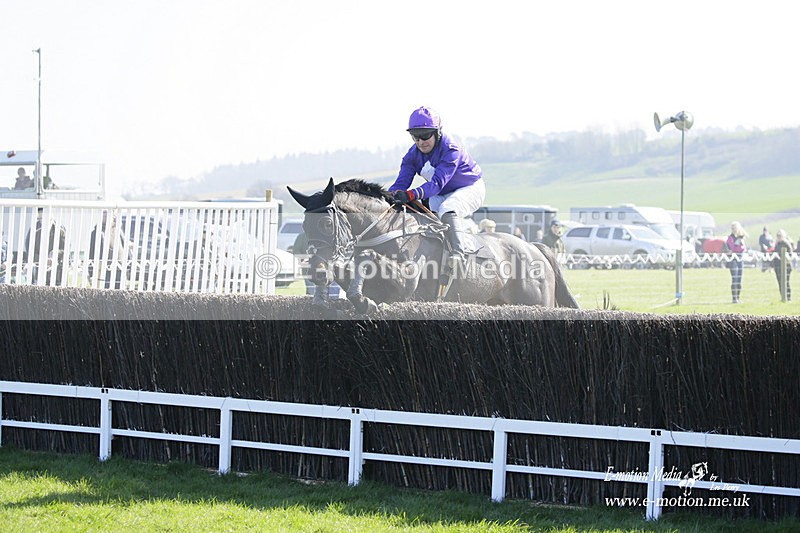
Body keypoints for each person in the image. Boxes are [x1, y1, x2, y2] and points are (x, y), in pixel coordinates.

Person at [388, 106, 485, 275]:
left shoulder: (451, 150)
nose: (420, 142)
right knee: (417, 211)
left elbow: (436, 185)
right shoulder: (411, 155)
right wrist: (386, 198)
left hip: (469, 188)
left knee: (448, 208)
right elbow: (400, 184)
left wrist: (410, 194)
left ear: (437, 132)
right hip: (441, 193)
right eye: (415, 137)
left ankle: (458, 254)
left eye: (425, 135)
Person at [89, 211, 131, 289]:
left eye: (108, 214)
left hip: (119, 270)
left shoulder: (118, 231)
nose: (105, 217)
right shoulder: (96, 233)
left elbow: (125, 247)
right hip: (104, 271)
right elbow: (91, 254)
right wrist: (91, 273)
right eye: (104, 215)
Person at [24, 207, 67, 285]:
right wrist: (42, 259)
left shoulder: (60, 228)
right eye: (40, 215)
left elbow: (66, 248)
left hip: (57, 269)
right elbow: (29, 248)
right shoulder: (34, 228)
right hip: (38, 268)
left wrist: (55, 254)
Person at [726, 221, 748, 304]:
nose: (734, 229)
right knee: (734, 278)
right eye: (733, 228)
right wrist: (738, 245)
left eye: (735, 228)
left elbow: (743, 248)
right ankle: (734, 298)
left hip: (740, 260)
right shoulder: (730, 238)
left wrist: (739, 244)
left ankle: (738, 298)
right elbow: (733, 248)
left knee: (739, 279)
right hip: (733, 261)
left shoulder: (741, 238)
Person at [771, 229, 792, 301]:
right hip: (777, 266)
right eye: (777, 236)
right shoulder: (776, 244)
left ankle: (788, 297)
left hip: (786, 266)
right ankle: (782, 297)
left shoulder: (786, 243)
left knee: (786, 282)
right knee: (779, 281)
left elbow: (790, 254)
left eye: (780, 235)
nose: (778, 237)